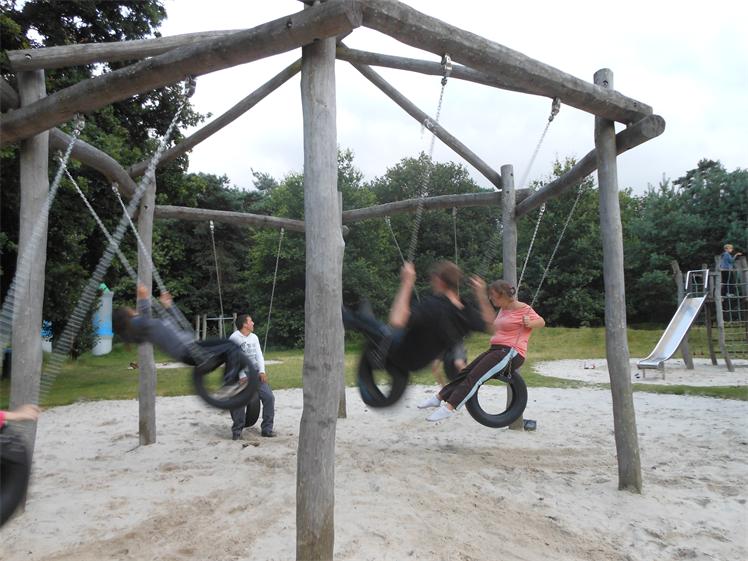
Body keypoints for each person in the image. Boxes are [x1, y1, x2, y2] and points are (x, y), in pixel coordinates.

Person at [418, 279, 545, 422]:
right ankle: (439, 398)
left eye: (493, 295)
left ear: (502, 295)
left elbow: (541, 321)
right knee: (465, 372)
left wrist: (530, 322)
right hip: (496, 349)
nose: (491, 298)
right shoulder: (503, 309)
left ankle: (449, 408)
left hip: (511, 353)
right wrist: (480, 294)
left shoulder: (524, 308)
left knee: (475, 377)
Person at [343, 260, 494, 378]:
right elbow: (493, 327)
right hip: (421, 361)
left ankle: (350, 317)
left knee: (382, 330)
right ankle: (363, 318)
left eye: (432, 279)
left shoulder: (434, 306)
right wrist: (481, 295)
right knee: (376, 325)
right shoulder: (465, 311)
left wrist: (407, 282)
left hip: (402, 353)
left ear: (439, 280)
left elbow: (396, 321)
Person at [112, 284, 251, 397]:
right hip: (188, 351)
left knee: (232, 347)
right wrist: (142, 298)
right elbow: (144, 317)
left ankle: (231, 382)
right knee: (231, 347)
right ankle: (229, 383)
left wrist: (169, 306)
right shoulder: (137, 324)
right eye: (130, 309)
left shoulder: (145, 325)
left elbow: (174, 324)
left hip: (191, 347)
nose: (133, 309)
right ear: (126, 316)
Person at [229, 314, 276, 440]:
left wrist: (262, 371)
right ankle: (237, 431)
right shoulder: (234, 338)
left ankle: (267, 429)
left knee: (269, 397)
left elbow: (259, 355)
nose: (253, 323)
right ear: (244, 324)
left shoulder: (254, 337)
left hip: (255, 372)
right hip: (240, 373)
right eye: (251, 321)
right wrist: (241, 376)